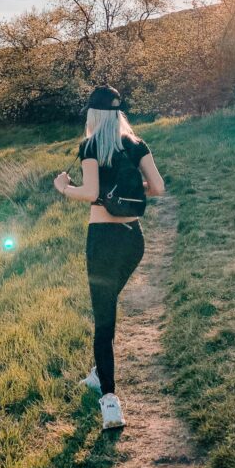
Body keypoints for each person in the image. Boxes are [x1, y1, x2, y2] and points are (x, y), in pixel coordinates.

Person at [53, 83, 165, 430]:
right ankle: (99, 371)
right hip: (134, 240)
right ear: (118, 113)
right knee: (108, 306)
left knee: (103, 322)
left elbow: (90, 193)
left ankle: (110, 401)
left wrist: (64, 188)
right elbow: (158, 188)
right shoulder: (136, 144)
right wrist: (132, 190)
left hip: (102, 239)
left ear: (93, 114)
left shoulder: (91, 145)